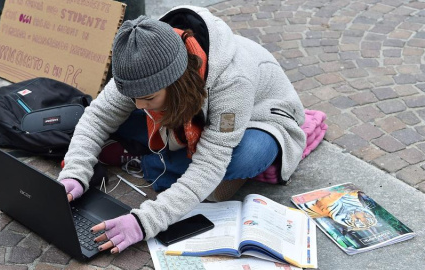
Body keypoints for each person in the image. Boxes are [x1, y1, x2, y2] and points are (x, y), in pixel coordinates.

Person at [58, 6, 306, 255]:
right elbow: (98, 116)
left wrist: (144, 222)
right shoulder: (143, 57)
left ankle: (153, 161)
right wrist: (75, 172)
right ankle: (162, 159)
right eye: (133, 97)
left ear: (175, 82)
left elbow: (210, 164)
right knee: (116, 114)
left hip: (260, 117)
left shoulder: (233, 83)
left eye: (147, 97)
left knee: (247, 155)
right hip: (188, 111)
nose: (139, 105)